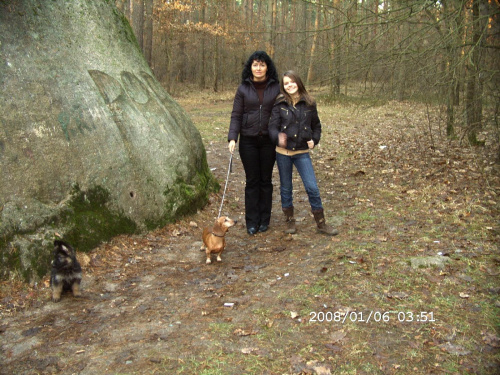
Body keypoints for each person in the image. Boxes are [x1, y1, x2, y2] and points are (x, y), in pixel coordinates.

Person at [268, 70, 338, 235]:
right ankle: (290, 221)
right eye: (286, 83)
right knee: (286, 188)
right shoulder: (279, 103)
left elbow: (317, 126)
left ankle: (321, 223)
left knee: (312, 187)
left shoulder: (309, 103)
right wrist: (278, 137)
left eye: (292, 81)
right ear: (283, 86)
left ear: (298, 82)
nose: (289, 85)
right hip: (283, 153)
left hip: (302, 153)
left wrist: (315, 139)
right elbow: (272, 127)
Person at [227, 51, 280, 235]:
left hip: (269, 141)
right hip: (248, 141)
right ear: (250, 67)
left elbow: (283, 112)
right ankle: (252, 221)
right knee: (252, 181)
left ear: (268, 67)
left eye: (262, 64)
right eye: (255, 65)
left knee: (265, 180)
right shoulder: (243, 89)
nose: (258, 68)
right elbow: (236, 115)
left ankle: (265, 220)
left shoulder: (276, 87)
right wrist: (233, 137)